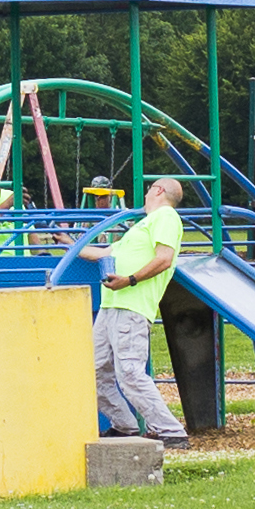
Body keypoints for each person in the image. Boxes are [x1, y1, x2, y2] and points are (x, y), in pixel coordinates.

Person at [92, 175, 187, 442]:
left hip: (131, 307)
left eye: (148, 191)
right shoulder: (141, 226)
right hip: (110, 306)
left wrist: (129, 280)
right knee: (94, 372)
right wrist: (67, 244)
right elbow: (103, 253)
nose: (144, 196)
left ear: (158, 190)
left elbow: (164, 259)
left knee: (130, 374)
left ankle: (172, 432)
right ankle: (124, 426)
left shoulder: (166, 217)